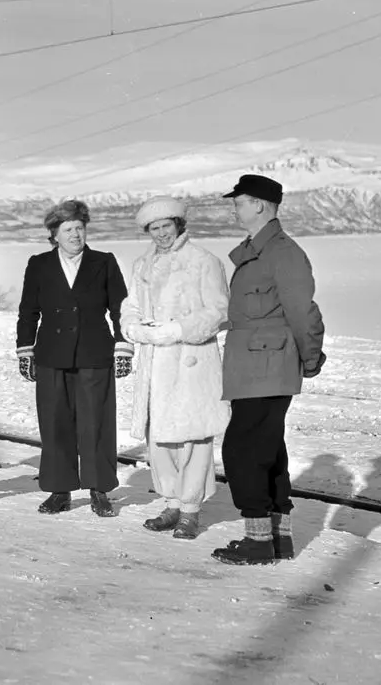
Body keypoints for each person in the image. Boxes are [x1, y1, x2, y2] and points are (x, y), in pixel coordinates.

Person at [212, 174, 326, 565]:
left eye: (240, 202)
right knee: (267, 449)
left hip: (267, 365)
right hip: (253, 366)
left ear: (259, 204)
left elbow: (303, 312)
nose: (235, 208)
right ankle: (279, 538)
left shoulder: (282, 252)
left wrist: (310, 358)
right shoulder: (257, 251)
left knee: (243, 450)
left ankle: (258, 541)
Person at [121, 196, 229, 540]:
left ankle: (191, 510)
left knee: (194, 438)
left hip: (190, 363)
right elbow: (131, 304)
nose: (161, 234)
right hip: (155, 364)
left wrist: (177, 330)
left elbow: (218, 311)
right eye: (154, 228)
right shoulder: (142, 265)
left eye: (166, 226)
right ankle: (170, 504)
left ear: (179, 225)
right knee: (159, 440)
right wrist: (133, 327)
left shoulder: (203, 261)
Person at [16, 199, 133, 517]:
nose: (75, 234)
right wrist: (25, 349)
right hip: (52, 355)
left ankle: (99, 489)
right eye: (68, 229)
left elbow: (120, 307)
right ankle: (59, 489)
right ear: (54, 233)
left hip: (95, 354)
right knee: (55, 422)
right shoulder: (39, 265)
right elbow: (28, 311)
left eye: (80, 228)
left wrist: (123, 345)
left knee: (97, 422)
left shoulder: (104, 262)